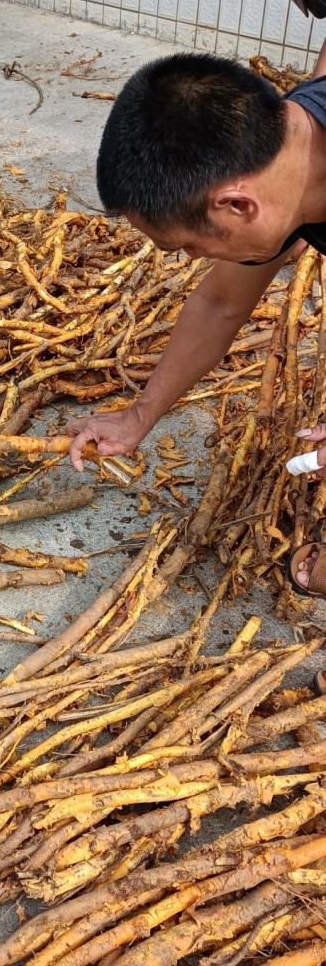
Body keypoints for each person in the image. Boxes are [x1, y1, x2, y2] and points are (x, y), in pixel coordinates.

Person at [67, 48, 326, 599]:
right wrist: (139, 416)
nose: (190, 260)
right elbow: (220, 304)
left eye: (187, 246)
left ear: (237, 205)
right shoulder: (294, 132)